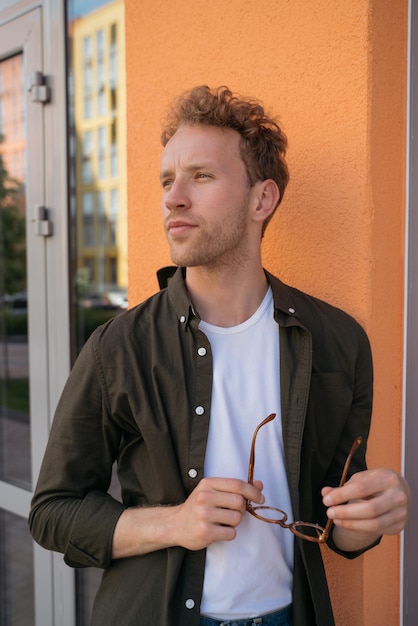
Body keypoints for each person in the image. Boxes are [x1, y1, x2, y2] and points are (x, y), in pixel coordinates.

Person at [29, 85, 409, 626]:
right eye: (167, 180)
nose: (173, 197)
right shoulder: (120, 347)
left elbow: (337, 527)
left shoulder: (338, 341)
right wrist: (177, 523)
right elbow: (52, 512)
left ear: (262, 199)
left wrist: (371, 517)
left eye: (200, 177)